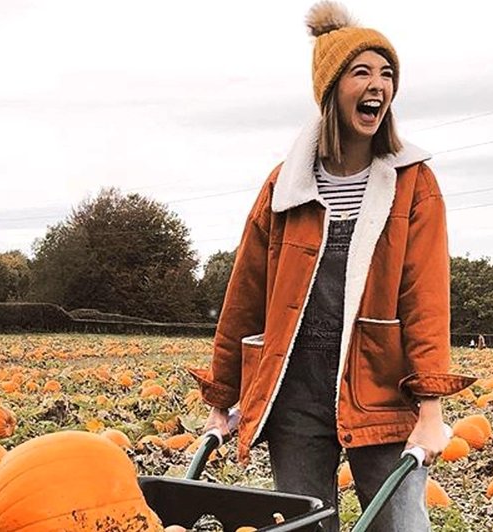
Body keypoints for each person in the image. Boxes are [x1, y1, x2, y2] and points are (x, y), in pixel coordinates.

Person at [187, 2, 476, 531]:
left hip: (381, 389)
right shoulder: (284, 185)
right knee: (305, 523)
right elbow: (245, 298)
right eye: (361, 72)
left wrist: (430, 408)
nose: (378, 85)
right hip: (295, 390)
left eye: (387, 74)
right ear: (330, 89)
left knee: (400, 524)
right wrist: (222, 399)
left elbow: (425, 300)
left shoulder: (413, 183)